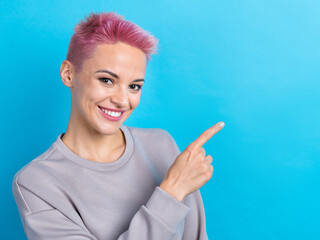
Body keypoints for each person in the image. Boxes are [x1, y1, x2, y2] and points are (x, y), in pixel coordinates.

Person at [12, 11, 225, 240]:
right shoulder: (36, 183)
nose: (123, 101)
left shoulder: (161, 145)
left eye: (134, 86)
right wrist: (172, 192)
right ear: (68, 74)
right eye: (107, 80)